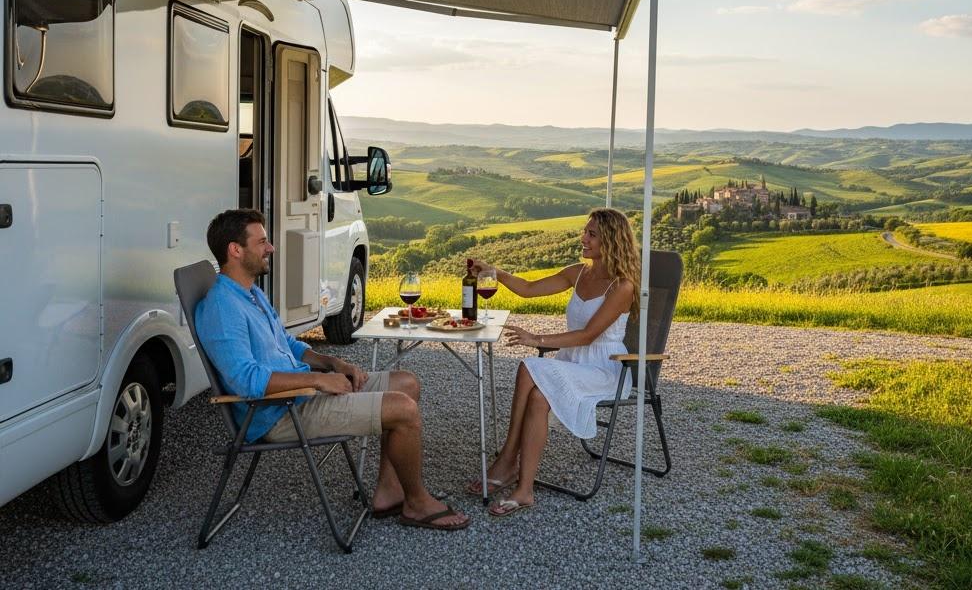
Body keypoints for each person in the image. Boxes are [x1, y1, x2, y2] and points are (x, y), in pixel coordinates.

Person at [195, 208, 468, 531]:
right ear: (235, 250)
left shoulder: (250, 293)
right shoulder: (222, 307)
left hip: (302, 394)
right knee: (404, 410)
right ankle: (417, 502)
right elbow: (246, 381)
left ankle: (389, 492)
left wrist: (333, 363)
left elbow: (287, 343)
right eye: (263, 242)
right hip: (279, 412)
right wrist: (319, 382)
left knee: (407, 382)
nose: (270, 248)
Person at [467, 207, 640, 516]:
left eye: (591, 234)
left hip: (605, 368)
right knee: (537, 397)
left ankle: (508, 459)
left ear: (611, 240)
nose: (583, 238)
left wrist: (537, 340)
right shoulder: (578, 272)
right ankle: (524, 490)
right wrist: (495, 272)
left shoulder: (622, 286)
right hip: (572, 363)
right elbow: (529, 290)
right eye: (585, 231)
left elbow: (588, 335)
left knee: (528, 366)